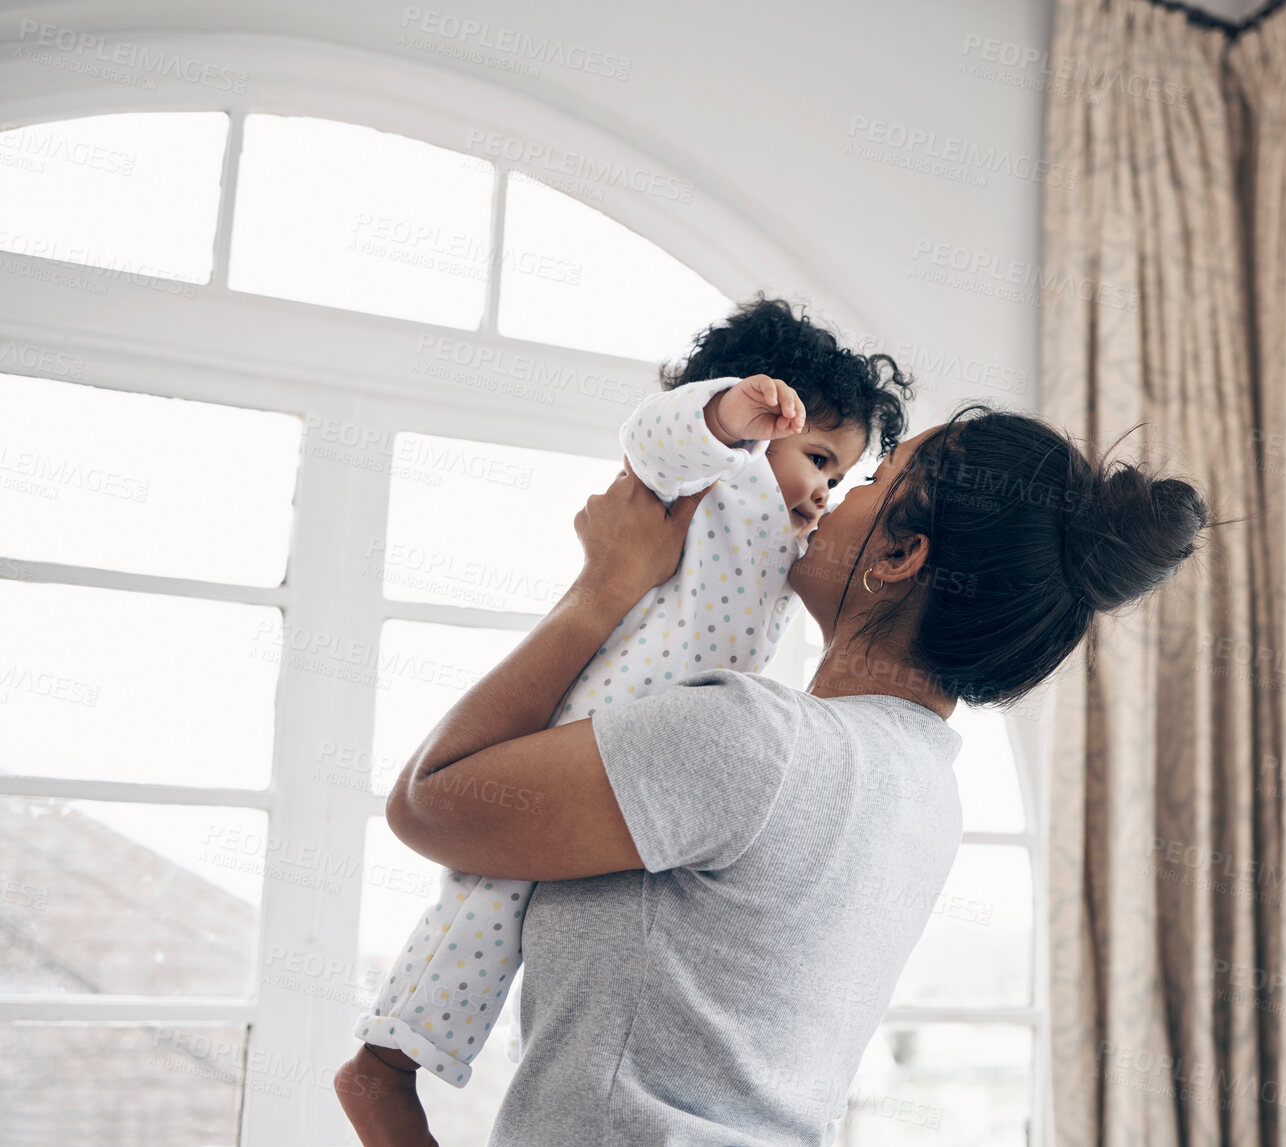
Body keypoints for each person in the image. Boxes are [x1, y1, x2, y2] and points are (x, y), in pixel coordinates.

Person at [338, 402, 1208, 1147]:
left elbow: (431, 800)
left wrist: (603, 587)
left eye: (871, 481)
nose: (826, 494)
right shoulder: (924, 786)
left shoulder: (753, 741)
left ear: (899, 555)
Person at [343, 298, 912, 1089]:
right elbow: (655, 438)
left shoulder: (787, 533)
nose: (825, 492)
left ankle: (477, 1054)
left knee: (541, 912)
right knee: (489, 892)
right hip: (606, 706)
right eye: (818, 459)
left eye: (843, 477)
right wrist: (725, 413)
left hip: (654, 737)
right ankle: (388, 1057)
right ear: (763, 420)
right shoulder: (725, 474)